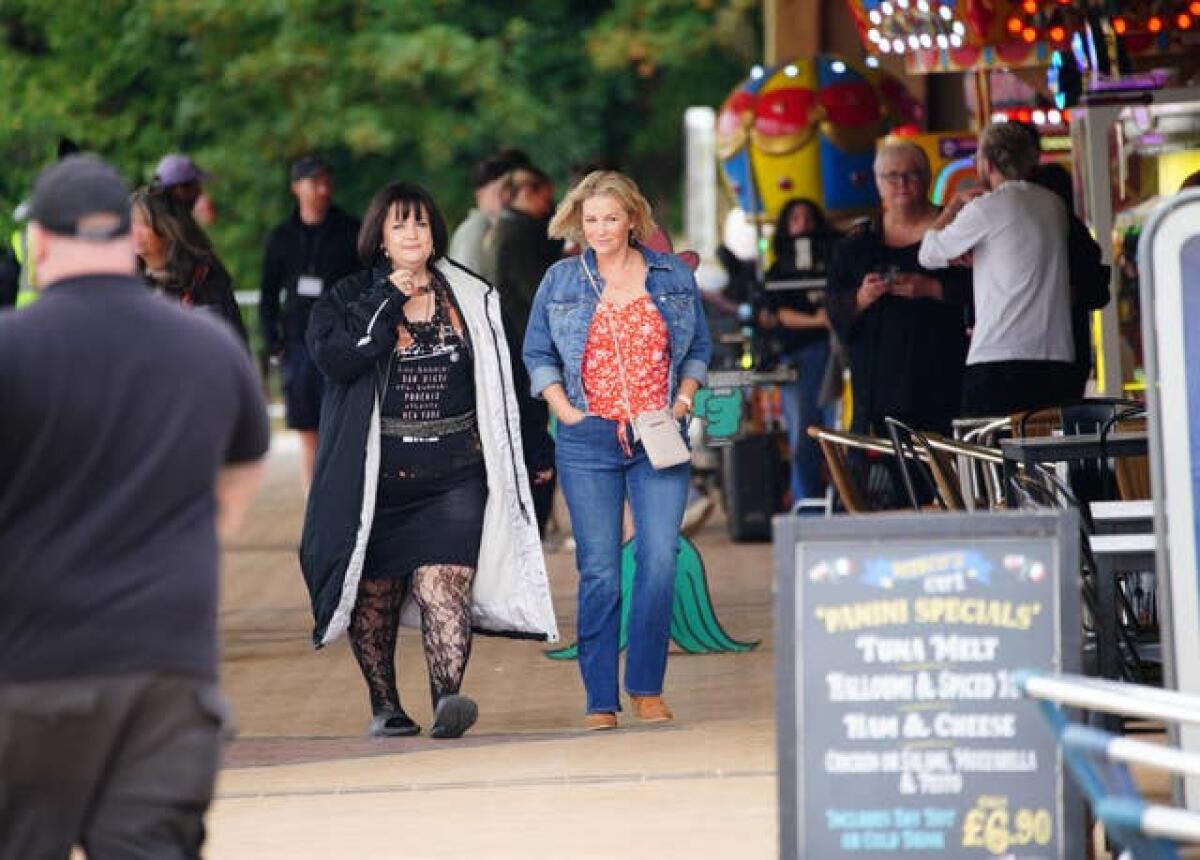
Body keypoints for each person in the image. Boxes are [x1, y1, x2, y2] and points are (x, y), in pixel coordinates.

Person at [0, 155, 269, 857]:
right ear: (126, 238)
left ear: (45, 243)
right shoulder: (206, 346)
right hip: (167, 673)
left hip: (29, 673)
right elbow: (239, 481)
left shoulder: (10, 351)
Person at [301, 181, 557, 740]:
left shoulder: (472, 296)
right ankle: (386, 704)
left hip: (454, 475)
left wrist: (538, 446)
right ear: (381, 238)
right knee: (376, 593)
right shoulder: (347, 297)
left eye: (420, 223)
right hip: (377, 479)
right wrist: (389, 297)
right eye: (400, 225)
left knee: (446, 583)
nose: (413, 234)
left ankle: (447, 699)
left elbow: (507, 380)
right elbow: (338, 358)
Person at [523, 170, 712, 730]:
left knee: (659, 559)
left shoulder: (672, 275)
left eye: (610, 218)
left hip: (659, 434)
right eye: (590, 220)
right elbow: (537, 353)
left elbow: (699, 344)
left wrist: (683, 401)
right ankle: (599, 698)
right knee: (601, 569)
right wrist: (564, 409)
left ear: (633, 219)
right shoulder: (560, 280)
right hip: (588, 439)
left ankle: (647, 687)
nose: (600, 229)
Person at [919, 121, 1075, 416]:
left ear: (987, 163)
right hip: (1056, 355)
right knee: (1049, 455)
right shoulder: (1054, 205)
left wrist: (951, 210)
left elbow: (928, 253)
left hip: (1000, 356)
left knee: (989, 455)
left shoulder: (986, 207)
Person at [827, 140, 971, 437]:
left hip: (948, 383)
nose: (902, 184)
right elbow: (834, 307)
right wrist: (861, 297)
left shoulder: (959, 230)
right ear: (878, 184)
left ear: (928, 178)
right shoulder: (856, 244)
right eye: (891, 177)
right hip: (881, 393)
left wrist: (931, 288)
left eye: (912, 174)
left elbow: (985, 294)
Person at [261, 155, 361, 487]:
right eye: (313, 182)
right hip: (298, 344)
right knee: (307, 430)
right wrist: (271, 339)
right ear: (296, 188)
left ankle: (344, 503)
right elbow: (268, 293)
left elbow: (366, 285)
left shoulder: (351, 231)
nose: (322, 189)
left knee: (342, 426)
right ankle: (313, 510)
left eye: (326, 181)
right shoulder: (281, 237)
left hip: (341, 341)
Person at [481, 164, 564, 532]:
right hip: (523, 347)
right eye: (546, 197)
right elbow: (538, 292)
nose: (550, 206)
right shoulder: (518, 234)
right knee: (533, 436)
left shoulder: (510, 229)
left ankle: (537, 521)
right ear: (528, 193)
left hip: (519, 346)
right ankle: (535, 521)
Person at [759, 198, 839, 506]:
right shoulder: (778, 270)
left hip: (833, 354)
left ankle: (839, 500)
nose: (803, 225)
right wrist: (817, 320)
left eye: (808, 218)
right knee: (803, 434)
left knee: (835, 431)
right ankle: (808, 504)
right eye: (795, 219)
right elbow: (774, 312)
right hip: (798, 356)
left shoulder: (832, 261)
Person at [131, 184, 247, 341]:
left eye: (144, 224)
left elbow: (232, 339)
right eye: (130, 223)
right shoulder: (126, 283)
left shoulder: (204, 277)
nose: (134, 231)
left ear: (166, 227)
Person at [448, 151, 524, 273]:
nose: (507, 196)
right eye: (502, 188)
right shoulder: (475, 228)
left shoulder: (501, 227)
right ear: (480, 193)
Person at [154, 152, 216, 226]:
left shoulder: (159, 218)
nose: (199, 191)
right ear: (179, 189)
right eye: (195, 185)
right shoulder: (166, 227)